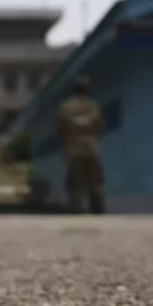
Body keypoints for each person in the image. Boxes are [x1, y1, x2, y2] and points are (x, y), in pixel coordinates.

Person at [55, 74, 106, 214]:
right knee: (95, 179)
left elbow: (60, 128)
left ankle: (75, 208)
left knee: (74, 180)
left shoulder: (65, 107)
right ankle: (97, 209)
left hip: (72, 148)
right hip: (91, 147)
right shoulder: (93, 106)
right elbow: (100, 126)